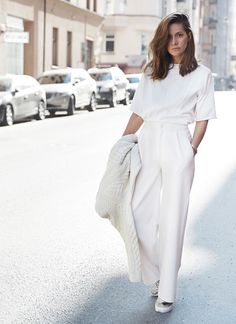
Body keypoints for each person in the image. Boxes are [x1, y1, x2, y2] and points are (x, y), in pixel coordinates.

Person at [122, 13, 216, 313]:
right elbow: (138, 113)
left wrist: (192, 148)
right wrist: (122, 144)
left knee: (173, 216)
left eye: (179, 35)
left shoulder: (202, 75)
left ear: (188, 37)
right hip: (149, 140)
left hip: (178, 142)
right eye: (169, 36)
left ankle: (167, 291)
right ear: (162, 40)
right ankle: (155, 273)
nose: (174, 42)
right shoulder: (152, 72)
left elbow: (203, 118)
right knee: (138, 213)